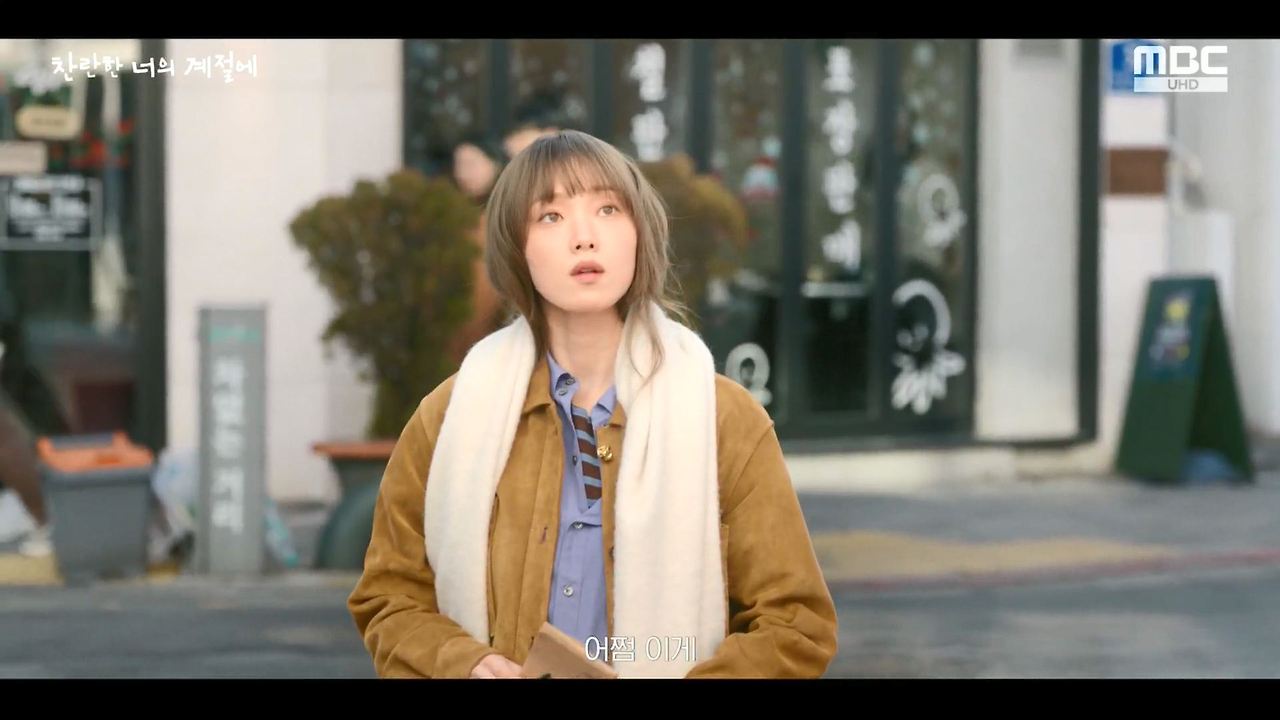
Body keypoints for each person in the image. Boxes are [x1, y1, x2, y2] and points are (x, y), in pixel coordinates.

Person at [347, 130, 837, 679]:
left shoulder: (722, 418)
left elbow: (795, 623)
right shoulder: (451, 415)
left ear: (639, 234)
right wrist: (465, 663)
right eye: (550, 216)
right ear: (516, 249)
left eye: (607, 209)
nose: (584, 238)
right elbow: (390, 597)